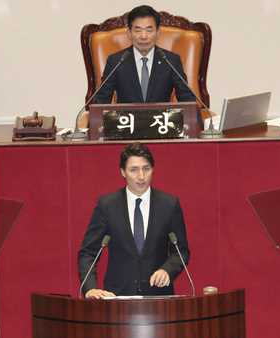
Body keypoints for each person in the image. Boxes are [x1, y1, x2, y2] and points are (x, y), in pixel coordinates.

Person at [78, 143, 190, 299]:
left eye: (146, 169)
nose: (141, 176)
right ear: (123, 172)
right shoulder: (108, 205)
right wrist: (90, 288)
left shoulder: (169, 204)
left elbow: (181, 251)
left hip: (159, 298)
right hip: (117, 297)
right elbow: (88, 252)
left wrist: (167, 270)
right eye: (134, 170)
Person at [77, 5, 196, 128]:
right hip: (126, 128)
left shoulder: (171, 60)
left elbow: (188, 100)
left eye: (149, 30)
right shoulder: (116, 61)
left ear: (158, 32)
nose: (143, 36)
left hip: (162, 127)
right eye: (138, 30)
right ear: (129, 33)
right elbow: (101, 102)